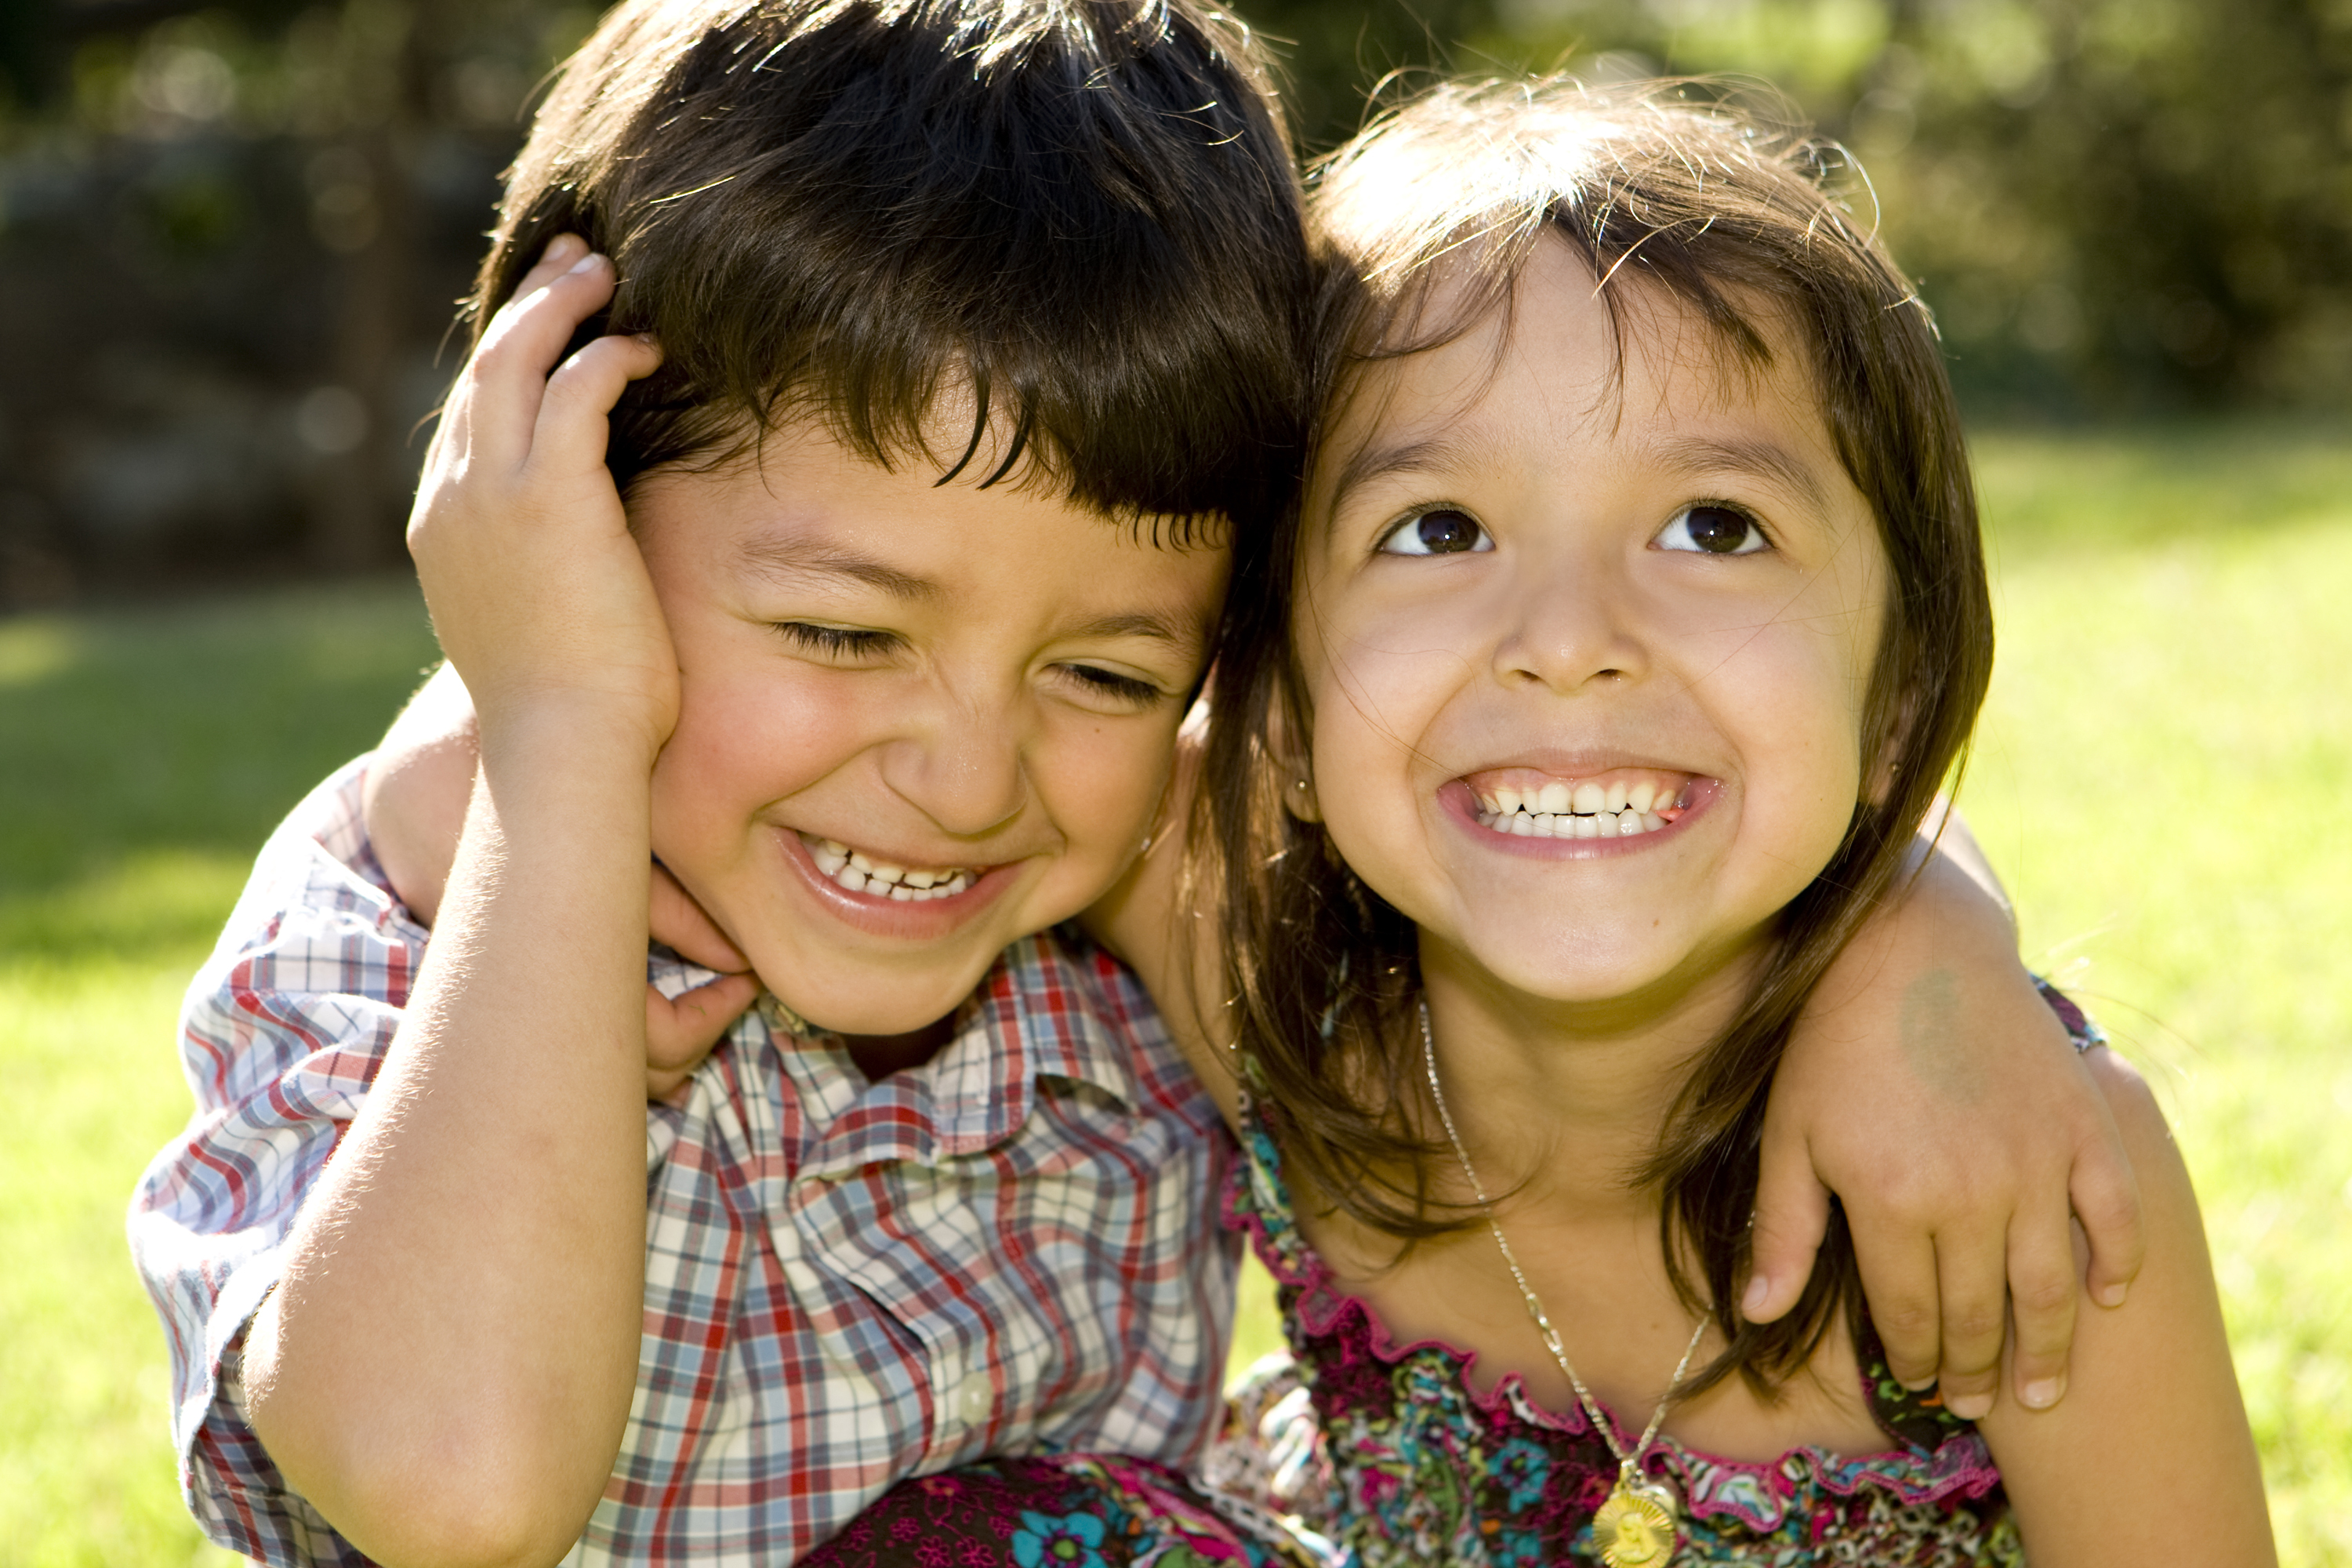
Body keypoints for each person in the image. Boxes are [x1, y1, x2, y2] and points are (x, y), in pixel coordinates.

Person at [130, 7, 2141, 1564]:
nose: (966, 776)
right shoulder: (392, 923)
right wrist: (560, 740)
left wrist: (1917, 941)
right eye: (843, 634)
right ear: (549, 527)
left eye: (1111, 670)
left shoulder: (1139, 885)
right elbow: (451, 1491)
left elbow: (1581, 768)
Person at [1111, 78, 2270, 1564]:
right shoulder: (1235, 937)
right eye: (1437, 529)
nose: (1572, 638)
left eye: (1713, 526)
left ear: (1896, 690)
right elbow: (969, 757)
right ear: (1275, 679)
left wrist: (1927, 924)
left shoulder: (2021, 1172)